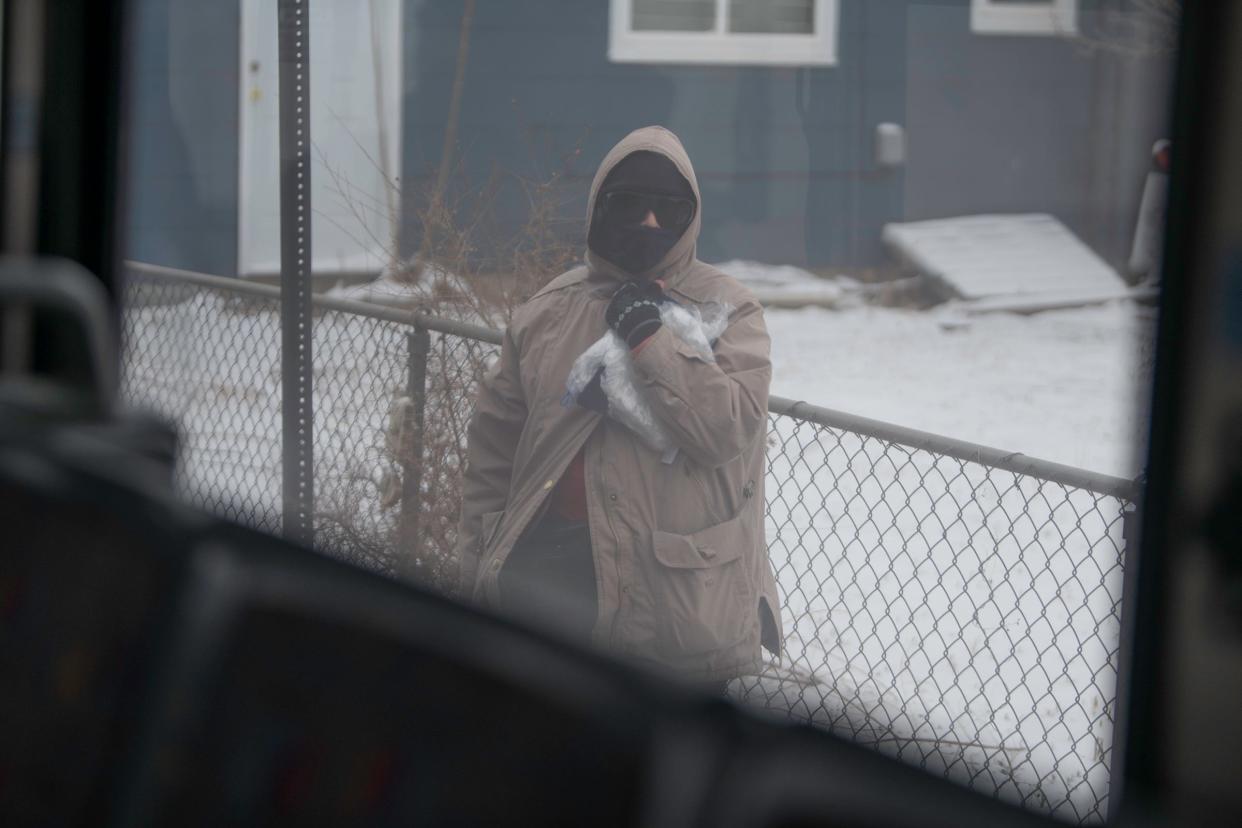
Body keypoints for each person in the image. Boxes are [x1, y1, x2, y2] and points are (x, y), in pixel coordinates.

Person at [455, 125, 781, 688]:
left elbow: (727, 430)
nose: (648, 224)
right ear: (598, 209)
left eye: (667, 209)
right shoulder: (548, 312)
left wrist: (652, 339)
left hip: (676, 603)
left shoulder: (729, 310)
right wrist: (477, 573)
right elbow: (492, 455)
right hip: (548, 580)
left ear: (691, 216)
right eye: (628, 205)